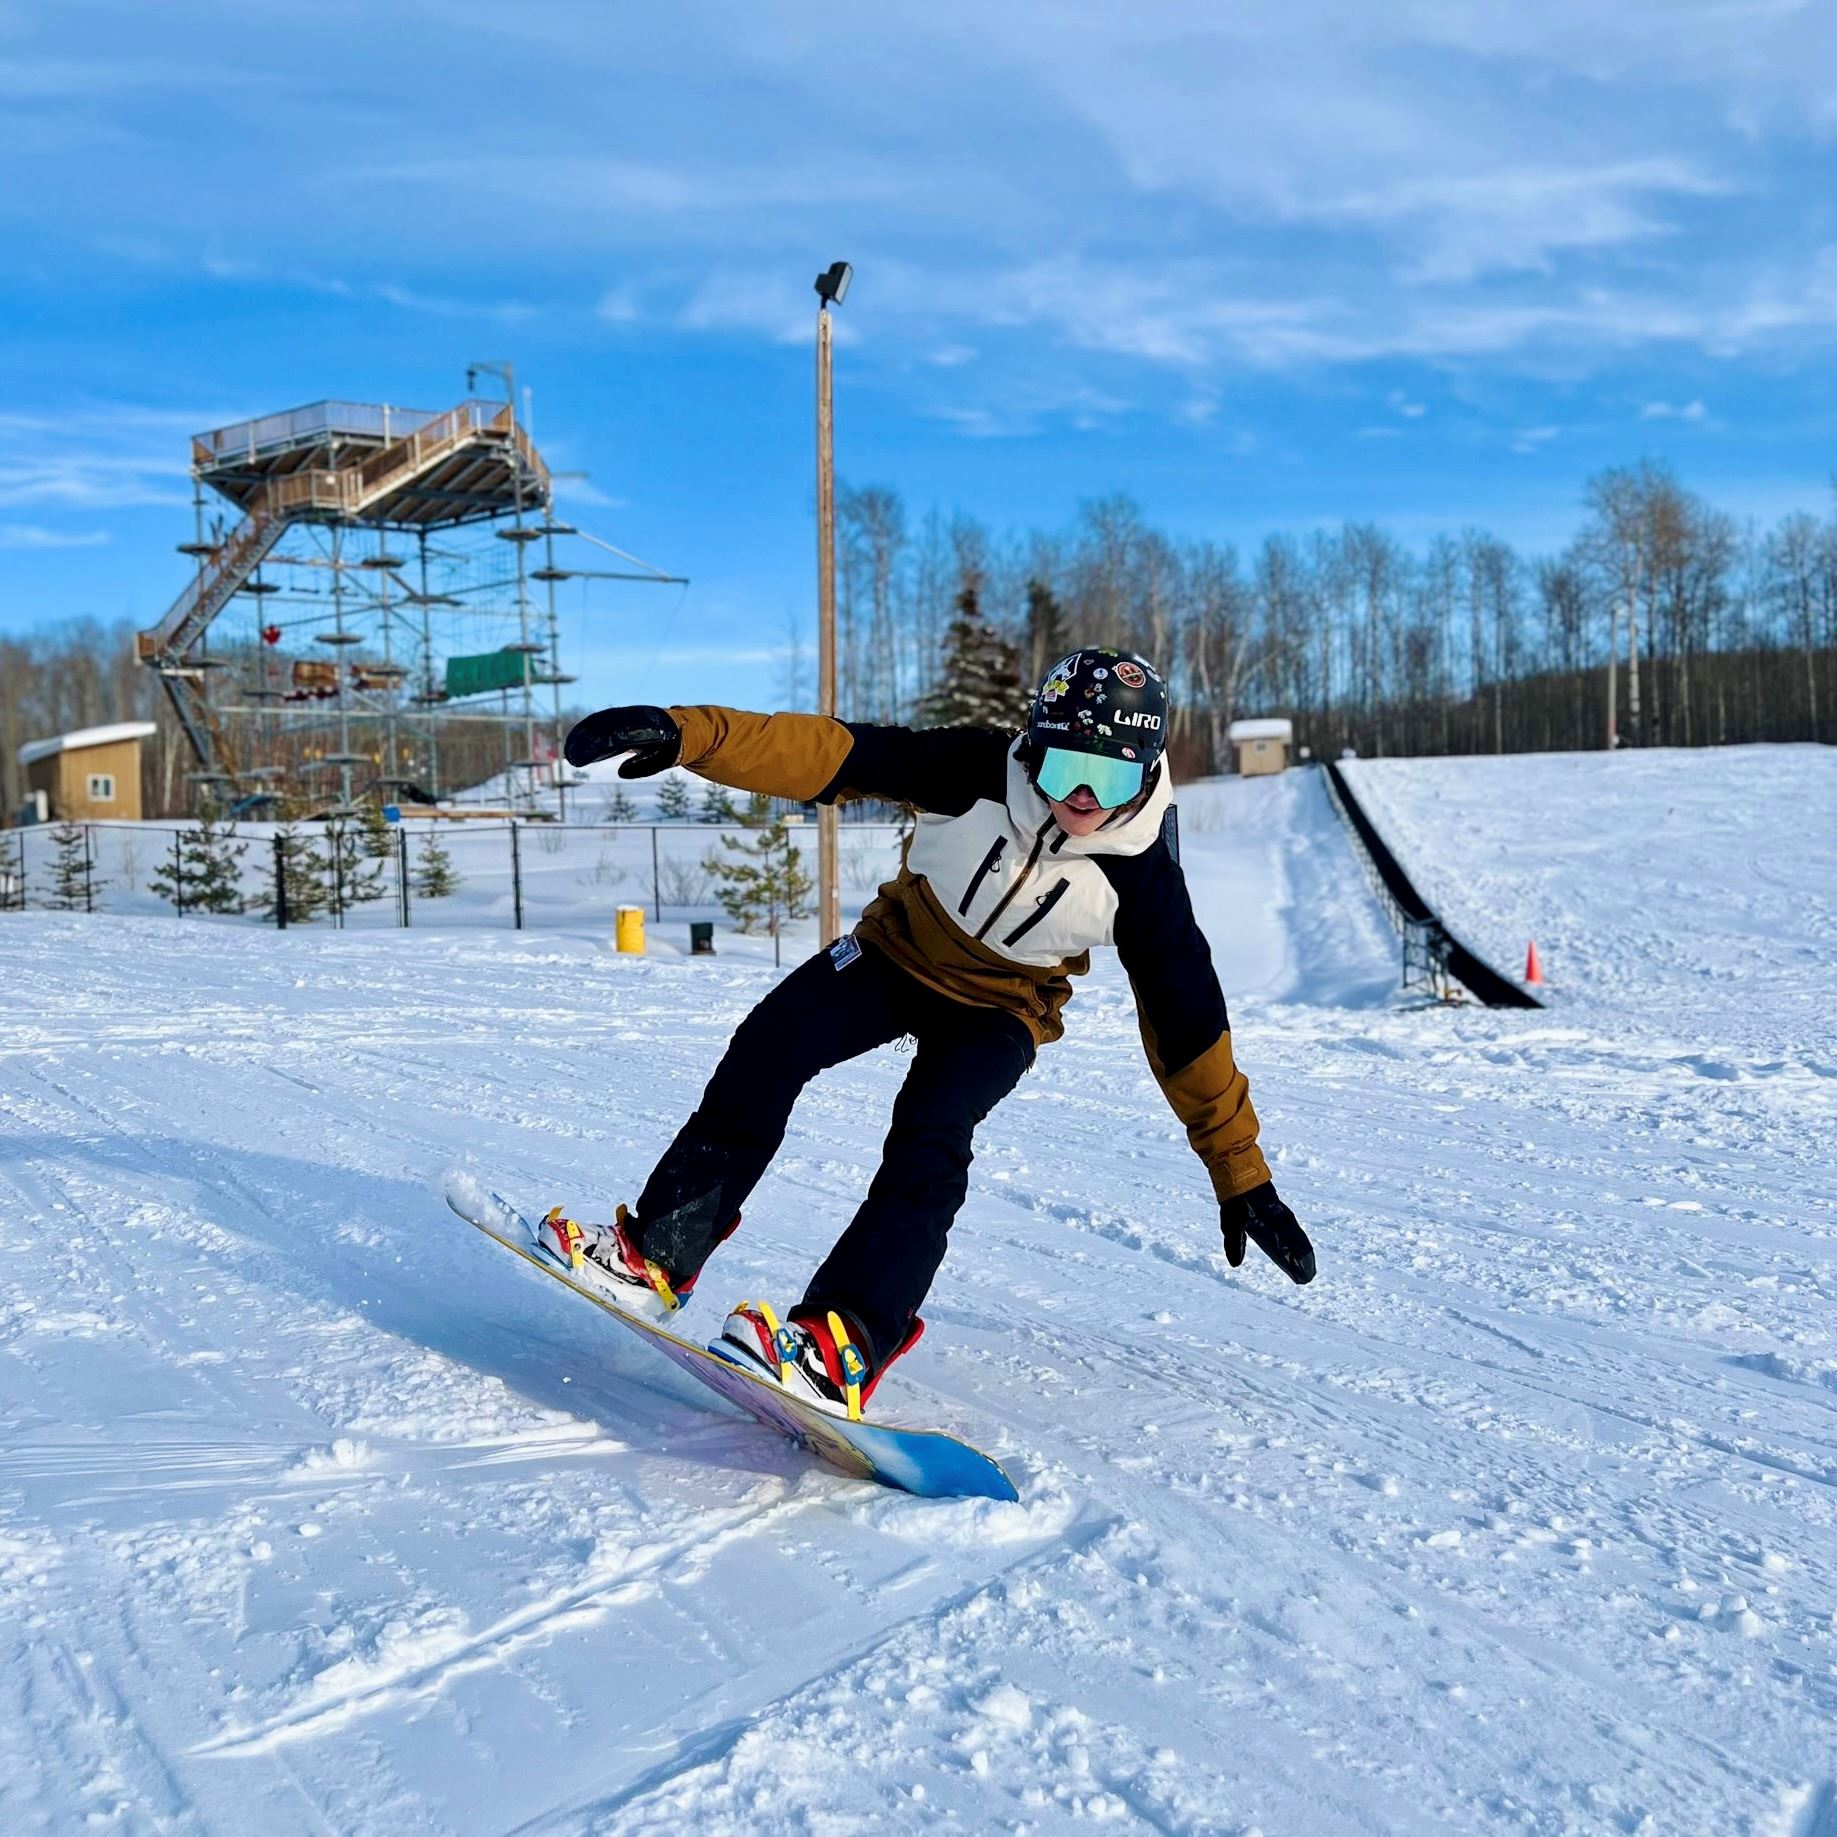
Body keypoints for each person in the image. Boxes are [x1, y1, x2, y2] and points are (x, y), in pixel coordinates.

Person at [557, 647, 1314, 1420]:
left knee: (932, 1130)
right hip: (896, 953)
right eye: (1063, 769)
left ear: (1148, 771)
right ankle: (658, 1252)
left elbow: (1187, 1025)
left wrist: (1241, 1174)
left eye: (1111, 777)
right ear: (1032, 746)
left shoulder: (1145, 876)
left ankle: (840, 1340)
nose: (1082, 798)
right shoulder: (973, 768)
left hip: (1004, 1006)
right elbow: (828, 752)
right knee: (771, 1042)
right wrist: (691, 736)